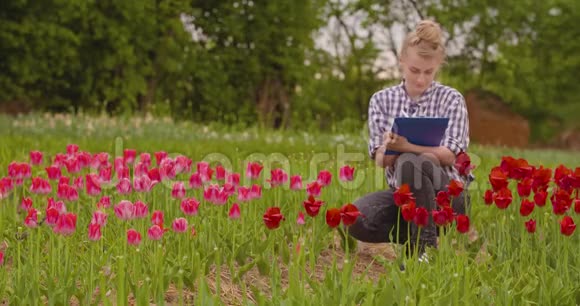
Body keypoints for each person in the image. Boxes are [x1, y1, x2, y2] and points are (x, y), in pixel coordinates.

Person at [348, 20, 473, 259]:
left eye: (429, 72)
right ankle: (420, 233)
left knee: (411, 160)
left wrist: (407, 147)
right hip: (406, 196)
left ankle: (423, 249)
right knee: (357, 218)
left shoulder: (451, 99)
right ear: (401, 61)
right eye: (414, 70)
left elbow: (448, 156)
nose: (421, 79)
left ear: (438, 66)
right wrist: (391, 146)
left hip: (447, 196)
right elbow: (381, 160)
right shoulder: (381, 101)